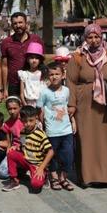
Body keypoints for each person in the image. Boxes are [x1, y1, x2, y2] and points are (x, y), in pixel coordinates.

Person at [67, 23, 107, 187]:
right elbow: (70, 82)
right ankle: (88, 176)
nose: (93, 40)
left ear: (101, 38)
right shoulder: (77, 57)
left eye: (96, 37)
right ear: (85, 38)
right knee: (86, 140)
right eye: (90, 37)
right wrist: (72, 104)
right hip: (84, 106)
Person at [37, 62, 76, 191]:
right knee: (52, 155)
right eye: (51, 74)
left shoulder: (66, 91)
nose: (54, 77)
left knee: (68, 155)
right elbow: (40, 110)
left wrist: (73, 121)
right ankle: (53, 177)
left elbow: (67, 108)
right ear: (48, 76)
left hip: (66, 129)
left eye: (57, 74)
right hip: (52, 130)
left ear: (63, 75)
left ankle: (63, 177)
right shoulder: (44, 92)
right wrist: (43, 125)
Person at [2, 106, 53, 193]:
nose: (28, 124)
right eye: (25, 121)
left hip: (37, 164)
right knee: (11, 153)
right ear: (21, 120)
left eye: (31, 120)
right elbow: (24, 144)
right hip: (26, 160)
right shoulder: (22, 131)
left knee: (36, 185)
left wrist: (41, 168)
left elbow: (51, 151)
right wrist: (16, 147)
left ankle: (45, 175)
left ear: (36, 119)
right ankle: (14, 180)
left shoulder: (40, 134)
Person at [0, 12, 41, 99]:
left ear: (26, 23)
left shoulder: (36, 40)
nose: (18, 25)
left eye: (20, 22)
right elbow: (4, 66)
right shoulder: (6, 42)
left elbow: (41, 61)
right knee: (14, 107)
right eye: (15, 23)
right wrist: (5, 89)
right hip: (14, 84)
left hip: (32, 83)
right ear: (12, 25)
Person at [18, 42, 45, 108]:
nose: (34, 60)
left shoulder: (43, 73)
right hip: (28, 104)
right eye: (32, 58)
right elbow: (21, 93)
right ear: (27, 59)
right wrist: (25, 105)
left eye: (37, 58)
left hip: (42, 104)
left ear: (40, 60)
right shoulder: (24, 74)